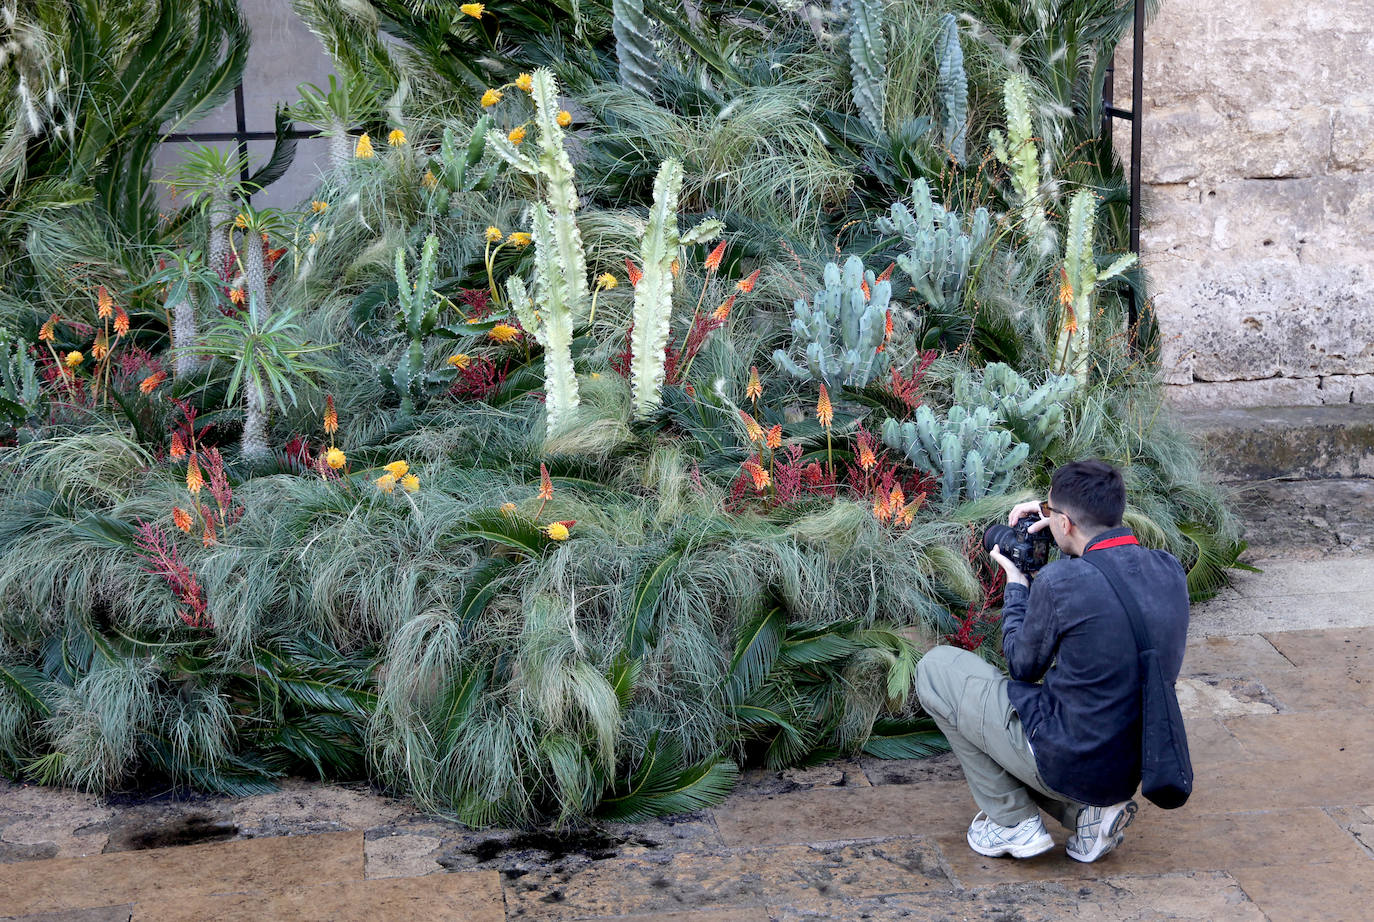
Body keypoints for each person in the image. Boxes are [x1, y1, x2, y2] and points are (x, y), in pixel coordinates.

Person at [915, 459, 1189, 863]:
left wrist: (1016, 583)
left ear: (1066, 523)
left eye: (1053, 513)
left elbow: (1023, 666)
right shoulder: (1169, 570)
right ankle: (1089, 816)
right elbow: (1104, 595)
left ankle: (1012, 822)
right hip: (1132, 763)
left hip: (1068, 761)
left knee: (937, 670)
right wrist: (1054, 516)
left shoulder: (1062, 583)